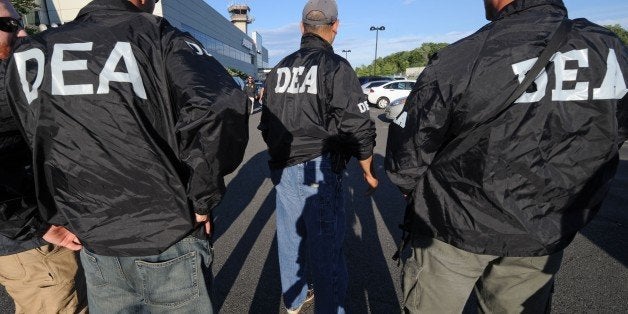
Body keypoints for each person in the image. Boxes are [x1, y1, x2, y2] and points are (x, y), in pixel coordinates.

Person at [1, 0, 249, 312]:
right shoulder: (156, 34)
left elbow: (31, 137)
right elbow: (220, 104)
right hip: (167, 229)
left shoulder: (33, 53)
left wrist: (50, 214)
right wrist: (203, 196)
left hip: (91, 234)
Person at [386, 0, 627, 312]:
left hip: (453, 224)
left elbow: (409, 146)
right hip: (544, 229)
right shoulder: (610, 50)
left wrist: (410, 190)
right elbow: (614, 133)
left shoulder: (466, 54)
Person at [259, 0, 378, 312]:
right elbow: (358, 124)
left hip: (283, 164)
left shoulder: (279, 68)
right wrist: (367, 168)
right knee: (326, 244)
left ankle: (295, 300)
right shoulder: (336, 66)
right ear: (335, 26)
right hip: (319, 166)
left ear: (302, 28)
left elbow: (265, 123)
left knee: (289, 238)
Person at [0, 1, 87, 312]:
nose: (22, 32)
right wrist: (36, 227)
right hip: (28, 242)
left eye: (19, 22)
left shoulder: (13, 75)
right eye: (9, 25)